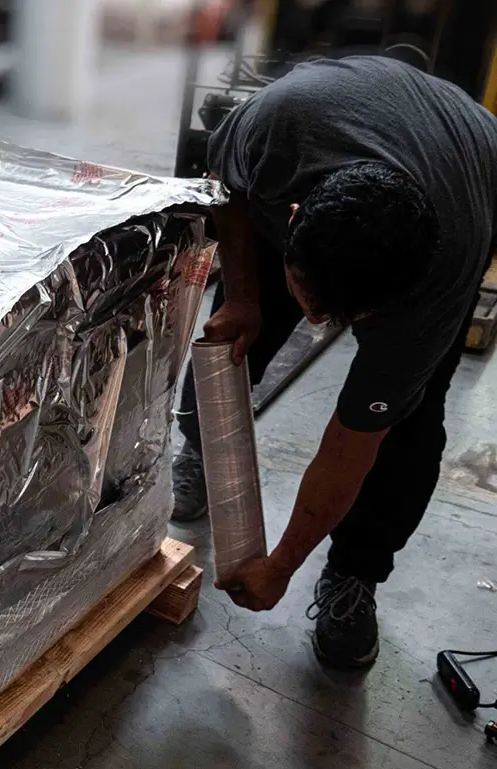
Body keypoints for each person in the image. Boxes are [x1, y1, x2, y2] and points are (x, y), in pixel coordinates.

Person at [172, 55, 497, 669]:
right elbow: (227, 191)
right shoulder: (275, 130)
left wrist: (281, 565)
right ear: (292, 219)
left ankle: (355, 574)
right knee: (235, 333)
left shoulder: (436, 275)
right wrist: (244, 295)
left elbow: (351, 444)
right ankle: (198, 449)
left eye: (342, 317)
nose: (319, 327)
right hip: (328, 150)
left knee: (407, 417)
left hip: (465, 169)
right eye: (312, 303)